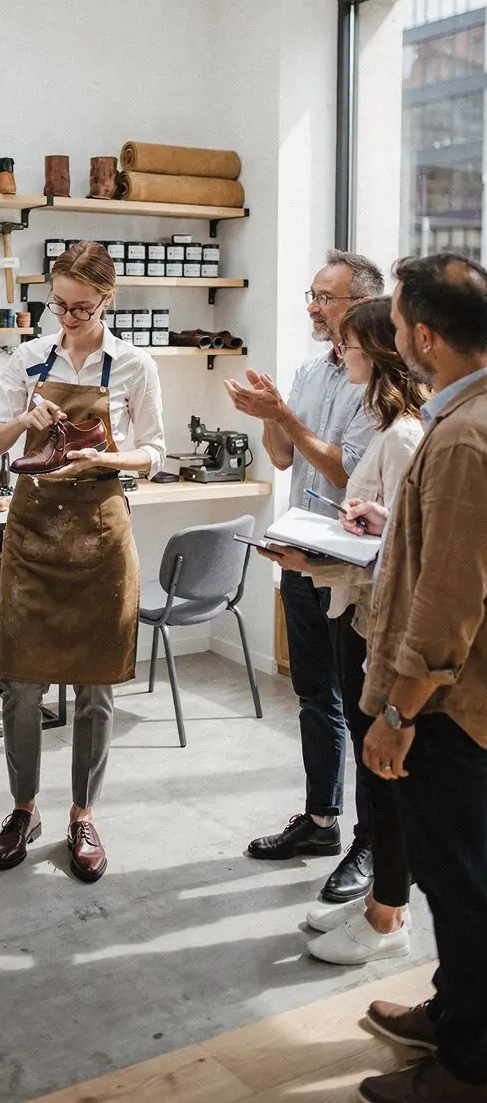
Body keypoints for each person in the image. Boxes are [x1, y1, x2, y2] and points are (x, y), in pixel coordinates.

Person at [0, 242, 165, 882]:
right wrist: (24, 418)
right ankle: (23, 807)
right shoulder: (28, 358)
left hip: (101, 529)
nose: (67, 316)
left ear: (107, 300)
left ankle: (83, 814)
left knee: (94, 685)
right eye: (57, 303)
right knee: (22, 684)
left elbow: (154, 452)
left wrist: (107, 460)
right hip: (33, 532)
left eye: (81, 306)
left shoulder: (134, 364)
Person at [253, 296, 425, 965]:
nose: (339, 351)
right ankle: (379, 897)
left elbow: (414, 551)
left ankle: (388, 913)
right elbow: (391, 526)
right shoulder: (389, 429)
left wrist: (325, 553)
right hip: (355, 609)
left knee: (385, 770)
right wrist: (357, 524)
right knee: (363, 751)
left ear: (379, 352)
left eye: (350, 343)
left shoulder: (406, 433)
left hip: (380, 619)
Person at [353, 255, 487, 1103]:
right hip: (454, 701)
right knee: (455, 876)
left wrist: (398, 712)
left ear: (425, 338)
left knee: (462, 884)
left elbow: (447, 595)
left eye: (398, 321)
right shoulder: (461, 417)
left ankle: (469, 1067)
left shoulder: (466, 436)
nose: (393, 333)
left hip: (448, 708)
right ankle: (454, 1012)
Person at [225, 249, 383, 903]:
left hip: (348, 568)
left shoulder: (374, 380)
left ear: (361, 305)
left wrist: (281, 414)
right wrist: (270, 415)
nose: (313, 307)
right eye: (312, 295)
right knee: (316, 695)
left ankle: (372, 844)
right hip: (300, 553)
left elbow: (348, 473)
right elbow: (287, 460)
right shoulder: (311, 369)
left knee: (363, 707)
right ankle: (321, 820)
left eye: (326, 297)